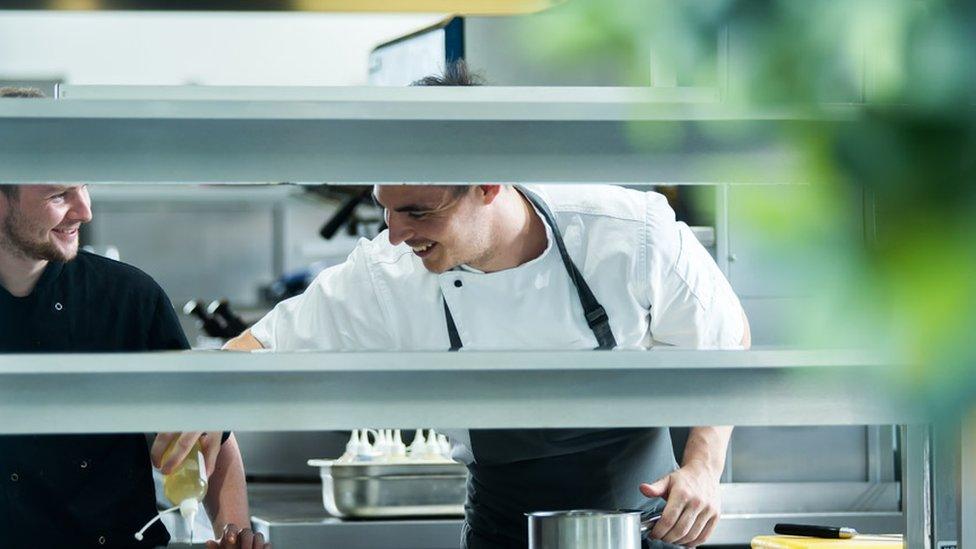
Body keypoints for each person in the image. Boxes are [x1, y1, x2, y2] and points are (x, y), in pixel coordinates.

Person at [225, 62, 750, 549]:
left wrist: (703, 467)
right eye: (384, 207)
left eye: (417, 212)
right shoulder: (385, 276)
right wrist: (202, 405)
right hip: (500, 528)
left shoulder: (627, 235)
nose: (395, 234)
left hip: (636, 526)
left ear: (489, 184)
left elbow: (725, 339)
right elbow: (256, 349)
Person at [0, 84, 266, 549]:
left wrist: (233, 533)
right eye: (59, 194)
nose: (84, 209)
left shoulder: (127, 297)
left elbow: (206, 432)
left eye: (84, 184)